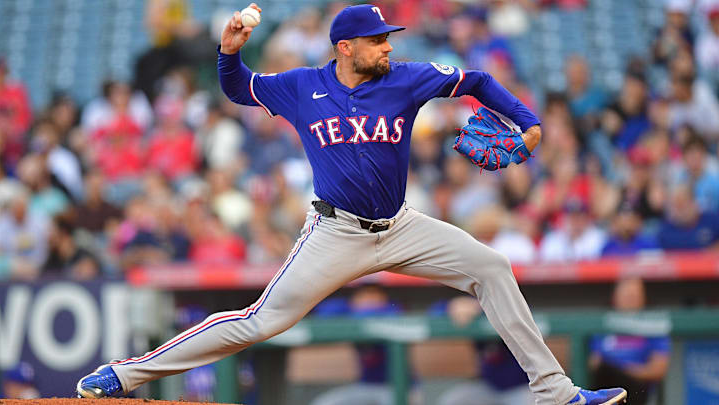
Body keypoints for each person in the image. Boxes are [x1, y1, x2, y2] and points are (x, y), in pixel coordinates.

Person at [77, 4, 626, 405]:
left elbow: (476, 80)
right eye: (378, 40)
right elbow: (239, 88)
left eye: (389, 38)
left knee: (491, 266)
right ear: (347, 47)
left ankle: (555, 393)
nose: (389, 47)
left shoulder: (406, 79)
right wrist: (229, 52)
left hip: (401, 225)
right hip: (335, 232)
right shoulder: (302, 86)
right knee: (258, 321)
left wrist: (527, 124)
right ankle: (124, 375)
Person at [589, 278, 670, 405]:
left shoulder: (653, 325)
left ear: (643, 299)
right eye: (626, 296)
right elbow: (593, 363)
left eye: (634, 296)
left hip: (637, 387)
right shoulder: (603, 325)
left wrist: (625, 370)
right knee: (603, 374)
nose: (630, 301)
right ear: (615, 297)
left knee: (609, 373)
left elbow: (658, 369)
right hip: (605, 385)